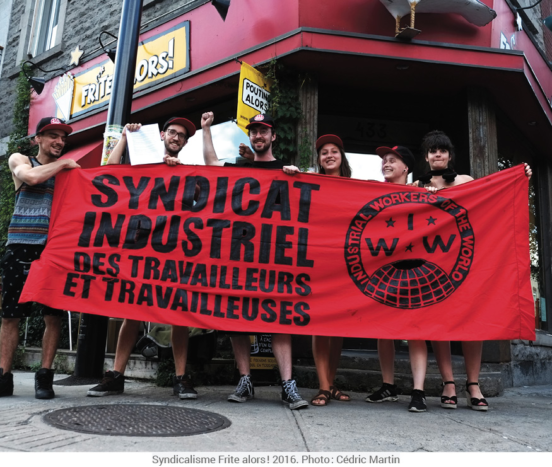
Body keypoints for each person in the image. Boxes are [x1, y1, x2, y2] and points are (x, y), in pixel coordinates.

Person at [414, 130, 532, 412]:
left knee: (472, 321)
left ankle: (474, 384)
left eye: (442, 150)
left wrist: (520, 175)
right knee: (439, 323)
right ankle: (448, 383)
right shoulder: (416, 184)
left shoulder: (467, 181)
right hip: (434, 263)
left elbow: (493, 200)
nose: (438, 154)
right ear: (427, 156)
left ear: (450, 155)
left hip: (466, 261)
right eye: (432, 151)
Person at [87, 117, 199, 400]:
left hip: (175, 249)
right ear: (162, 135)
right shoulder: (142, 159)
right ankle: (116, 375)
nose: (176, 137)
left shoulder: (191, 166)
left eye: (181, 136)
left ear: (185, 143)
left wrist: (183, 172)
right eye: (172, 132)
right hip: (142, 246)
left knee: (179, 314)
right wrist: (125, 137)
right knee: (133, 311)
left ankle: (181, 378)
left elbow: (205, 193)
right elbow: (109, 170)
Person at [202, 111, 308, 410]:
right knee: (237, 320)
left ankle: (288, 385)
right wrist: (206, 128)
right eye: (254, 132)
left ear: (273, 136)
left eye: (264, 131)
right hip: (242, 258)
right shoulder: (240, 170)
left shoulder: (288, 171)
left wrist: (297, 178)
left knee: (279, 319)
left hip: (275, 259)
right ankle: (245, 380)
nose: (258, 136)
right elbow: (211, 165)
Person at [0, 117, 80, 399]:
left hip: (54, 250)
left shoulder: (68, 172)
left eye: (63, 137)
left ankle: (45, 378)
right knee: (11, 316)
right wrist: (64, 164)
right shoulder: (20, 158)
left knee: (53, 316)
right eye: (53, 136)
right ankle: (3, 376)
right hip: (21, 245)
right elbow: (31, 177)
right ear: (38, 139)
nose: (59, 141)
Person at [282, 134, 352, 406]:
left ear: (341, 157)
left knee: (338, 327)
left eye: (334, 151)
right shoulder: (310, 181)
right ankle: (323, 386)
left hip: (344, 262)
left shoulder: (354, 186)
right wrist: (291, 174)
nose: (329, 155)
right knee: (320, 323)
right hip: (318, 260)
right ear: (319, 160)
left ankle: (330, 384)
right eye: (324, 152)